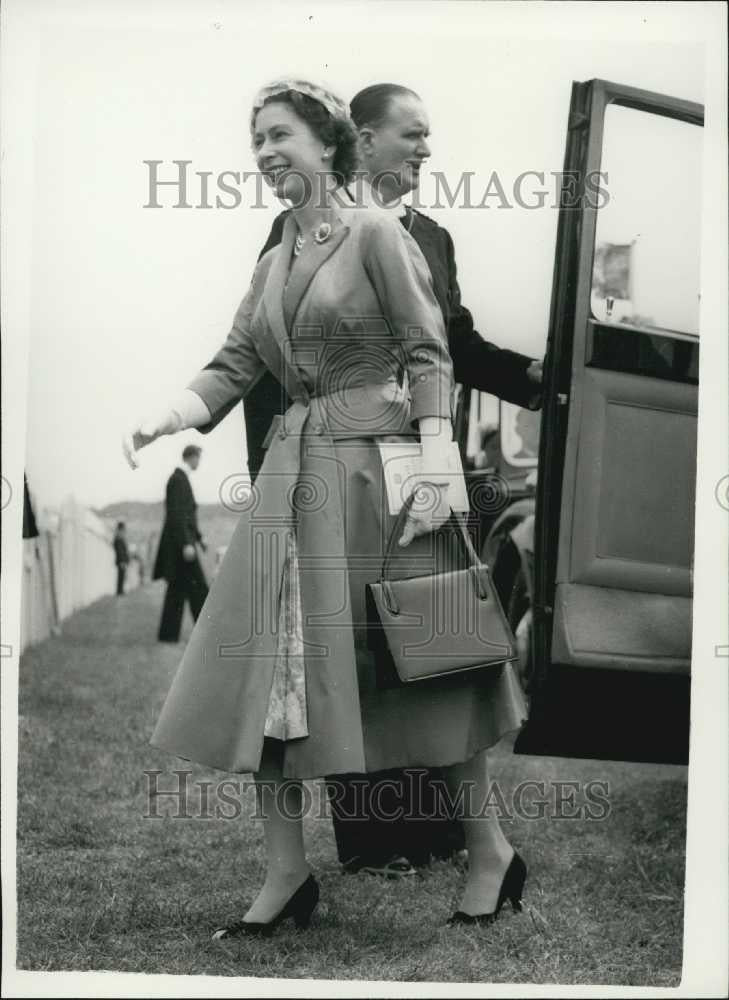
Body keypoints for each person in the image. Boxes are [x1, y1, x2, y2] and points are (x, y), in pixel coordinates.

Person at [123, 79, 527, 938]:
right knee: (269, 676)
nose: (265, 153)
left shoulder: (378, 232)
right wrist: (166, 417)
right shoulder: (273, 258)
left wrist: (434, 474)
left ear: (327, 140)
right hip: (292, 482)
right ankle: (285, 873)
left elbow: (427, 353)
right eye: (256, 142)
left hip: (387, 470)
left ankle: (489, 852)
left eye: (278, 136)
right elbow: (235, 363)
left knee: (437, 655)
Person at [248, 82, 543, 877]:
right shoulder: (294, 233)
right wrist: (268, 484)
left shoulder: (433, 236)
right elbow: (267, 368)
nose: (424, 150)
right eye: (411, 135)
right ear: (363, 139)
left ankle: (454, 837)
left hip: (422, 457)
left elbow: (453, 346)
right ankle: (378, 837)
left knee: (432, 637)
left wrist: (535, 378)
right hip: (333, 467)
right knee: (347, 650)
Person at [152, 444, 209, 642]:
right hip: (181, 546)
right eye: (198, 458)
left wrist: (199, 540)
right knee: (199, 587)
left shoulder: (180, 479)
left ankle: (168, 635)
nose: (199, 463)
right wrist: (187, 543)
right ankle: (207, 632)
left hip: (181, 543)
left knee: (178, 588)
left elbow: (186, 517)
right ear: (191, 457)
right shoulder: (178, 479)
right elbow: (177, 514)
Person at [112, 521, 130, 596]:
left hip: (122, 560)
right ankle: (119, 591)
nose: (124, 531)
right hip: (121, 561)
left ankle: (120, 590)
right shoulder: (118, 538)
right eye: (123, 529)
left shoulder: (119, 537)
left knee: (122, 576)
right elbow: (120, 551)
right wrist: (122, 561)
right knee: (121, 576)